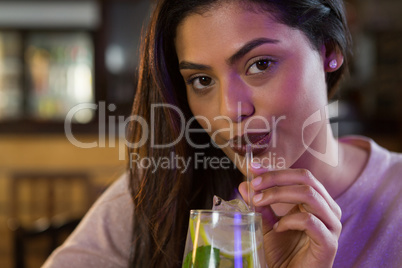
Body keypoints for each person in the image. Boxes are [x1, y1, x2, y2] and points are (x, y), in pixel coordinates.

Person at [43, 0, 402, 267]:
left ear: (329, 51)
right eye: (201, 80)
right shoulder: (159, 189)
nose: (230, 110)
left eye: (260, 64)